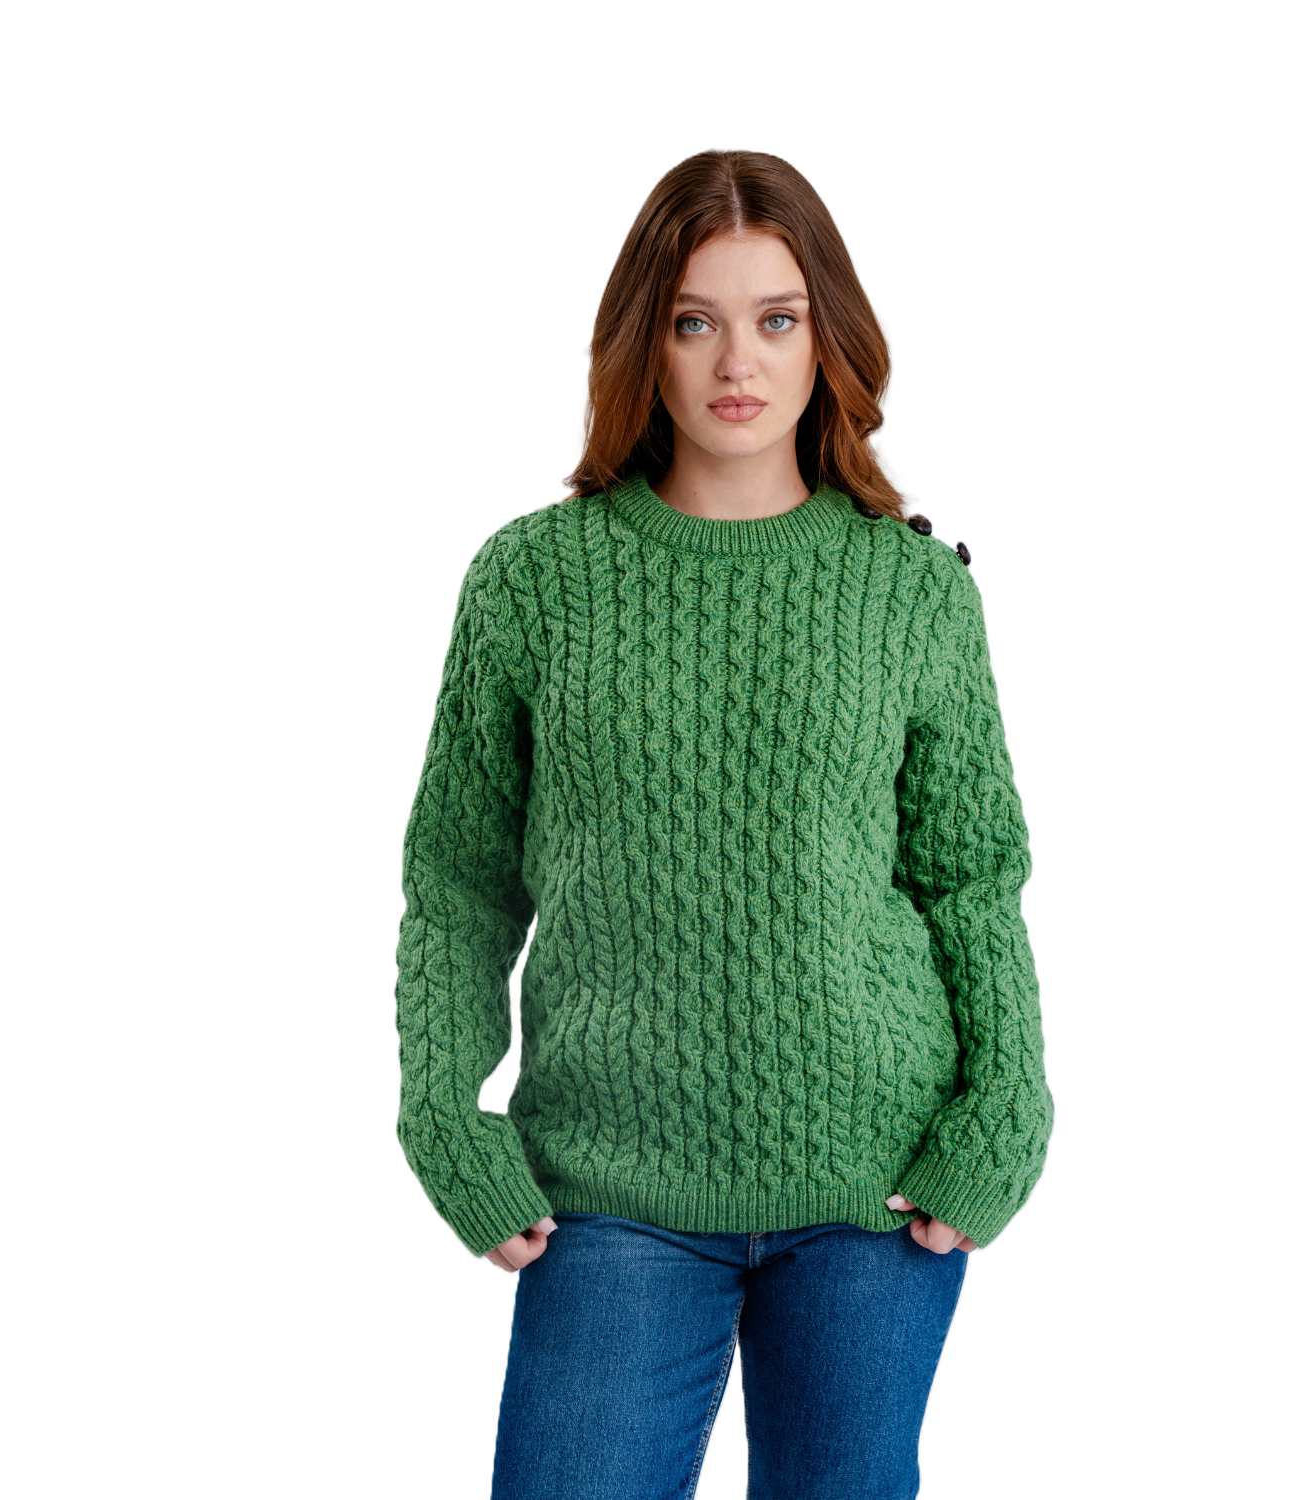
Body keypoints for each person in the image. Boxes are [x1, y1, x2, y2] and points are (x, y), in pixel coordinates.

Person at [393, 149, 1055, 1500]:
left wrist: (1005, 1113)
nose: (736, 360)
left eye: (776, 318)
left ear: (827, 340)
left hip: (874, 1186)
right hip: (609, 1189)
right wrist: (445, 1116)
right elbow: (459, 879)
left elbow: (971, 882)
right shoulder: (534, 581)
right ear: (646, 338)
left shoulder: (912, 592)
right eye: (695, 320)